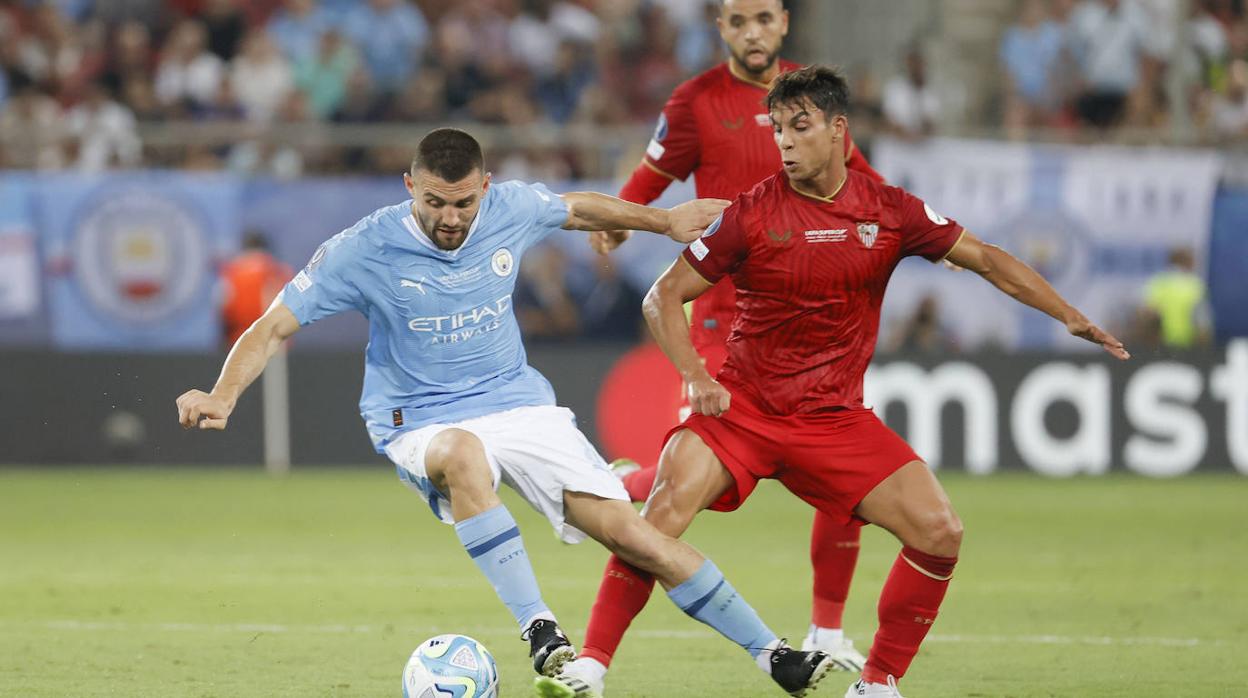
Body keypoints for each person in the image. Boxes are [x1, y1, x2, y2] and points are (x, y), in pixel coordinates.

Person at [175, 128, 833, 696]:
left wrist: (663, 221)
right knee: (462, 454)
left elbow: (574, 209)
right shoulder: (362, 249)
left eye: (463, 202)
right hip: (419, 417)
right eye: (434, 201)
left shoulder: (510, 206)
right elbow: (271, 326)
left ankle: (773, 656)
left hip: (517, 401)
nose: (450, 217)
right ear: (410, 186)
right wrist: (222, 394)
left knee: (631, 536)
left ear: (485, 187)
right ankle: (539, 627)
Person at [544, 66, 1129, 698]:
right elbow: (663, 297)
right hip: (743, 410)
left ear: (837, 130)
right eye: (778, 131)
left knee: (940, 533)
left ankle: (876, 685)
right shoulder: (751, 214)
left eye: (801, 127)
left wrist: (1068, 314)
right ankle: (590, 667)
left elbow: (986, 259)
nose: (786, 143)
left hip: (833, 420)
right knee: (656, 523)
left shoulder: (891, 211)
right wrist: (695, 376)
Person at [588, 0, 881, 672]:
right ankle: (621, 490)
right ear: (720, 27)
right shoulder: (695, 102)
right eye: (739, 20)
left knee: (849, 474)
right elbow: (655, 169)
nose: (753, 32)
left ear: (784, 23)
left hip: (812, 321)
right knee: (703, 486)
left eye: (764, 19)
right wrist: (623, 215)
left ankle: (828, 631)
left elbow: (860, 182)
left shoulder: (810, 99)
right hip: (728, 319)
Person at [220, 231, 292, 347]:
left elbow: (225, 306)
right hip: (275, 342)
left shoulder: (233, 272)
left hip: (240, 341)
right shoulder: (279, 270)